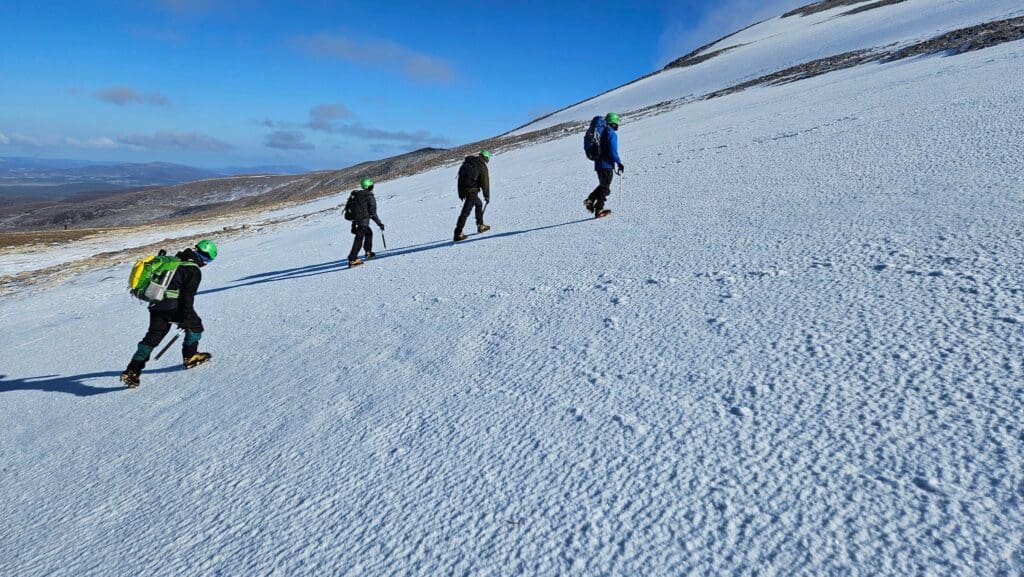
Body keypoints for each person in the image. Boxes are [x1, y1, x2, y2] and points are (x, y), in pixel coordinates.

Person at [120, 240, 217, 388]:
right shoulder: (192, 270)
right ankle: (190, 356)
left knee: (152, 337)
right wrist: (186, 318)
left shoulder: (175, 261)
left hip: (157, 304)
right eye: (208, 260)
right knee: (196, 327)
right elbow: (187, 297)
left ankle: (132, 370)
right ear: (204, 256)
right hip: (173, 305)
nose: (206, 264)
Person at [585, 112, 624, 218]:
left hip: (598, 164)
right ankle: (599, 209)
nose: (617, 125)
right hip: (606, 164)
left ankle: (590, 200)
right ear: (613, 123)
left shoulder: (602, 132)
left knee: (603, 185)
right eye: (617, 123)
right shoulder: (610, 133)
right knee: (605, 187)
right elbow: (612, 150)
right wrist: (619, 162)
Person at [454, 149, 492, 242]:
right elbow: (485, 182)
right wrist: (487, 196)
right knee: (466, 211)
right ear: (486, 157)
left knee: (478, 204)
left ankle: (480, 225)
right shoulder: (481, 165)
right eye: (488, 158)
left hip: (464, 189)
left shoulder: (470, 162)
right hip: (472, 191)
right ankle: (457, 233)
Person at [347, 178, 385, 267]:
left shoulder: (358, 194)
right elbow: (373, 213)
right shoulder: (369, 196)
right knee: (359, 239)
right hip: (363, 221)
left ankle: (368, 251)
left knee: (368, 233)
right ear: (370, 186)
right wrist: (379, 223)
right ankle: (352, 260)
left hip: (357, 220)